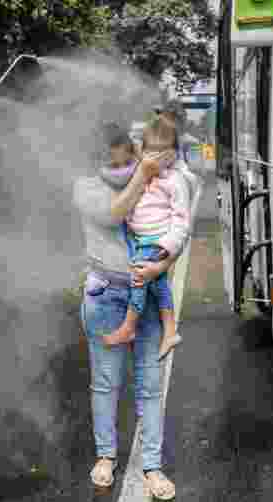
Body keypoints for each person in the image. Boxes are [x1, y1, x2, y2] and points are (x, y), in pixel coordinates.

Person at [73, 121, 189, 501]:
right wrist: (143, 174)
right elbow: (112, 214)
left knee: (151, 385)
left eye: (122, 144)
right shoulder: (85, 185)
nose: (115, 153)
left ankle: (152, 466)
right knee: (106, 382)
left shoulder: (161, 177)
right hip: (106, 294)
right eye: (108, 147)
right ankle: (106, 456)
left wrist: (162, 263)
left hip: (150, 293)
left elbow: (176, 224)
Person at [101, 116, 189, 360]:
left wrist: (167, 247)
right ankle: (170, 331)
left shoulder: (175, 181)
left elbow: (182, 221)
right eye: (151, 150)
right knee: (160, 287)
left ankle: (129, 327)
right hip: (142, 238)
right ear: (143, 150)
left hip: (156, 242)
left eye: (163, 152)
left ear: (174, 154)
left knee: (138, 282)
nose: (156, 157)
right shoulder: (144, 176)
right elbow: (136, 206)